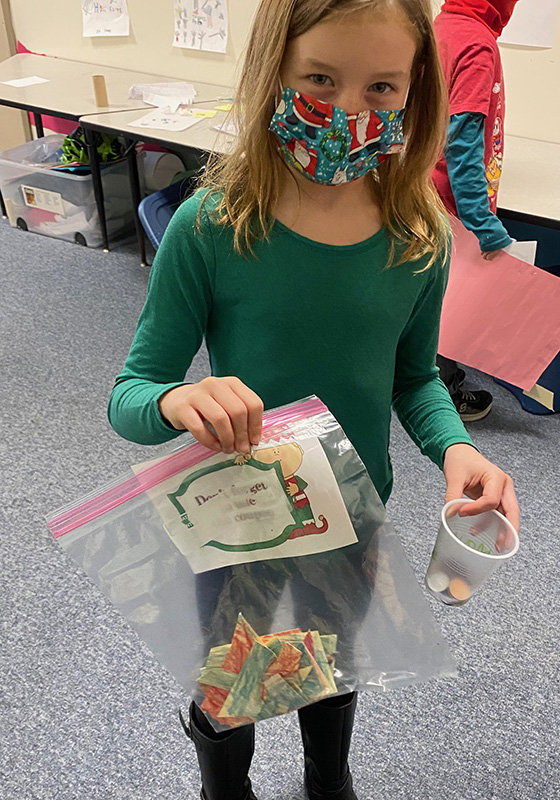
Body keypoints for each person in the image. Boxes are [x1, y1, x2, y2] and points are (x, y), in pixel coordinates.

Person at [108, 1, 520, 798]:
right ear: (276, 73)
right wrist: (178, 401)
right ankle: (225, 787)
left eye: (382, 88)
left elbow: (413, 376)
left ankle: (329, 780)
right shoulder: (212, 227)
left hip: (352, 510)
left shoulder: (417, 235)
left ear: (415, 91)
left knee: (331, 660)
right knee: (233, 678)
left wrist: (457, 447)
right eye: (320, 81)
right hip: (240, 517)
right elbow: (131, 392)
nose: (349, 112)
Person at [432, 0, 520, 422]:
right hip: (451, 204)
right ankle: (443, 393)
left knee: (428, 297)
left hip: (420, 192)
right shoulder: (477, 44)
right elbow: (462, 142)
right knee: (451, 305)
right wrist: (483, 223)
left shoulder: (442, 26)